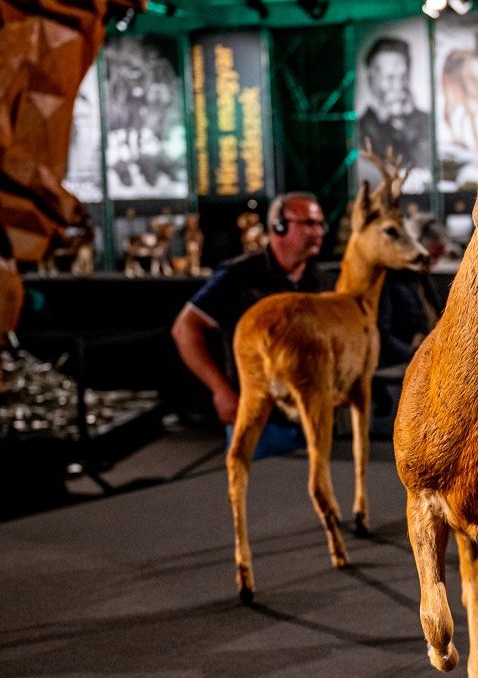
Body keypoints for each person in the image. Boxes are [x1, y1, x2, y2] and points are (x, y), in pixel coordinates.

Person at [171, 192, 331, 455]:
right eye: (309, 224)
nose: (318, 232)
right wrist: (220, 390)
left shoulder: (321, 281)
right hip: (262, 422)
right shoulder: (239, 276)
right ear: (278, 226)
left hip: (316, 420)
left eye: (320, 224)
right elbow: (185, 328)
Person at [357, 36, 432, 183]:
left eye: (403, 77)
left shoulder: (423, 120)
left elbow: (425, 162)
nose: (398, 86)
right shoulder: (361, 127)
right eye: (390, 78)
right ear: (371, 78)